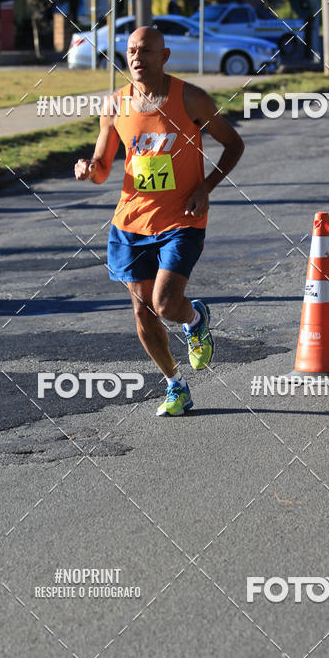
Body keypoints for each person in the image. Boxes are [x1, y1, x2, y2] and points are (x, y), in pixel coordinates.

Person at [74, 26, 244, 416]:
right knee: (142, 313)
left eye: (146, 51)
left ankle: (195, 317)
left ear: (164, 57)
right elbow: (102, 169)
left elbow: (234, 143)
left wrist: (206, 186)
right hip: (131, 222)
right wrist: (87, 169)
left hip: (182, 219)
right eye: (131, 50)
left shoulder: (191, 98)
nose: (137, 58)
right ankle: (175, 385)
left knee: (165, 304)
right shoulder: (115, 105)